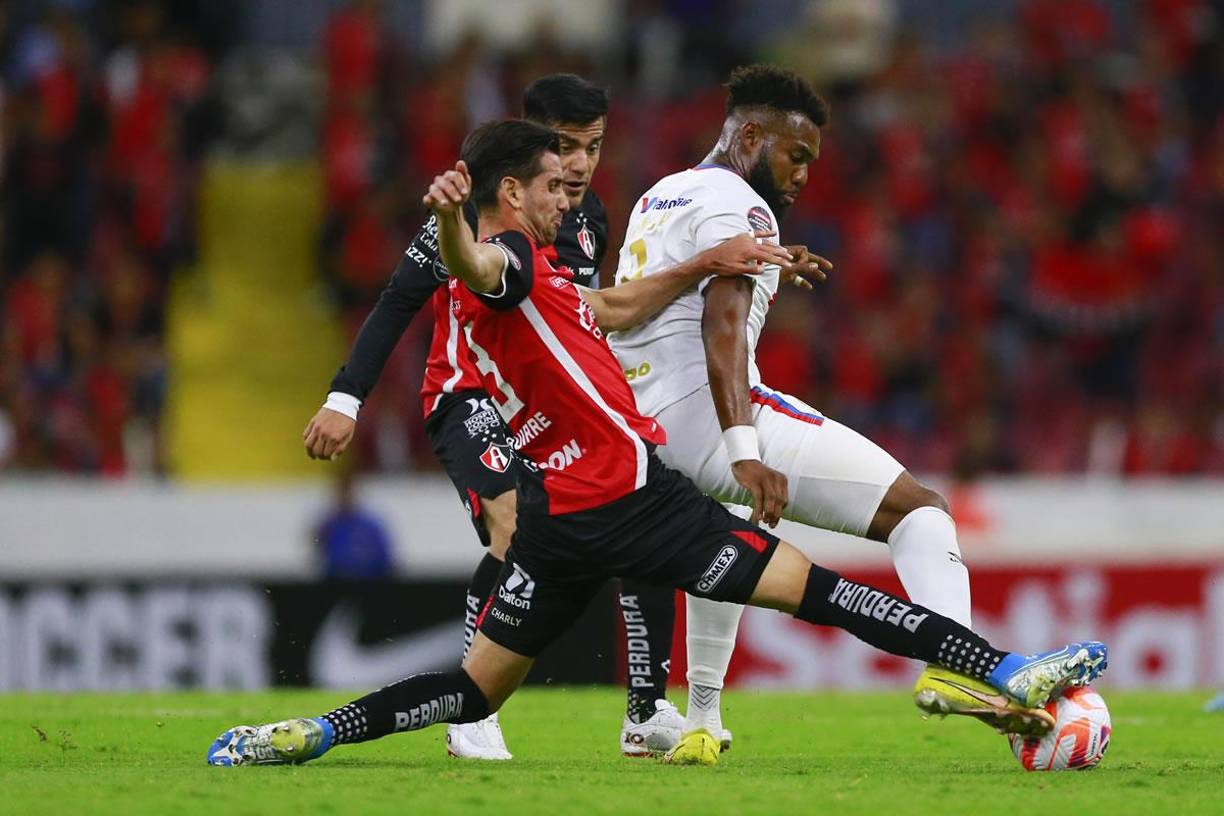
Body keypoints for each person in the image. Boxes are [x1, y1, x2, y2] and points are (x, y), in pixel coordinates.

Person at [207, 118, 1107, 769]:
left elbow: (616, 308)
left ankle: (312, 735)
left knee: (474, 689)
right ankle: (1007, 666)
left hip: (563, 521)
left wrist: (712, 265)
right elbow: (478, 264)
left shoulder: (548, 277)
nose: (573, 199)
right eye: (557, 186)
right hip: (639, 503)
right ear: (511, 193)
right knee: (822, 591)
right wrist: (451, 220)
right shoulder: (506, 261)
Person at [301, 75, 688, 758]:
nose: (579, 165)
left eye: (593, 147)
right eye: (565, 147)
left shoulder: (589, 219)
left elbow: (577, 321)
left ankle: (646, 709)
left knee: (639, 502)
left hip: (545, 402)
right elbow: (397, 302)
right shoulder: (469, 215)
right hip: (468, 392)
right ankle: (471, 710)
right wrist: (345, 399)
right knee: (512, 521)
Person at [607, 63, 996, 741]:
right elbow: (721, 327)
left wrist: (770, 256)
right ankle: (957, 662)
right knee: (919, 512)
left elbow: (674, 298)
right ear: (750, 136)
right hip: (709, 413)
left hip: (643, 417)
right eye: (796, 155)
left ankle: (701, 720)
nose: (804, 175)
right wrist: (743, 450)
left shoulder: (661, 195)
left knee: (727, 536)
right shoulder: (741, 207)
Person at [315, 469, 396, 580]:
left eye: (348, 492)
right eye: (341, 493)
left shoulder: (371, 526)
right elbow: (321, 560)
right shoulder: (328, 527)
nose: (345, 497)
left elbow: (385, 559)